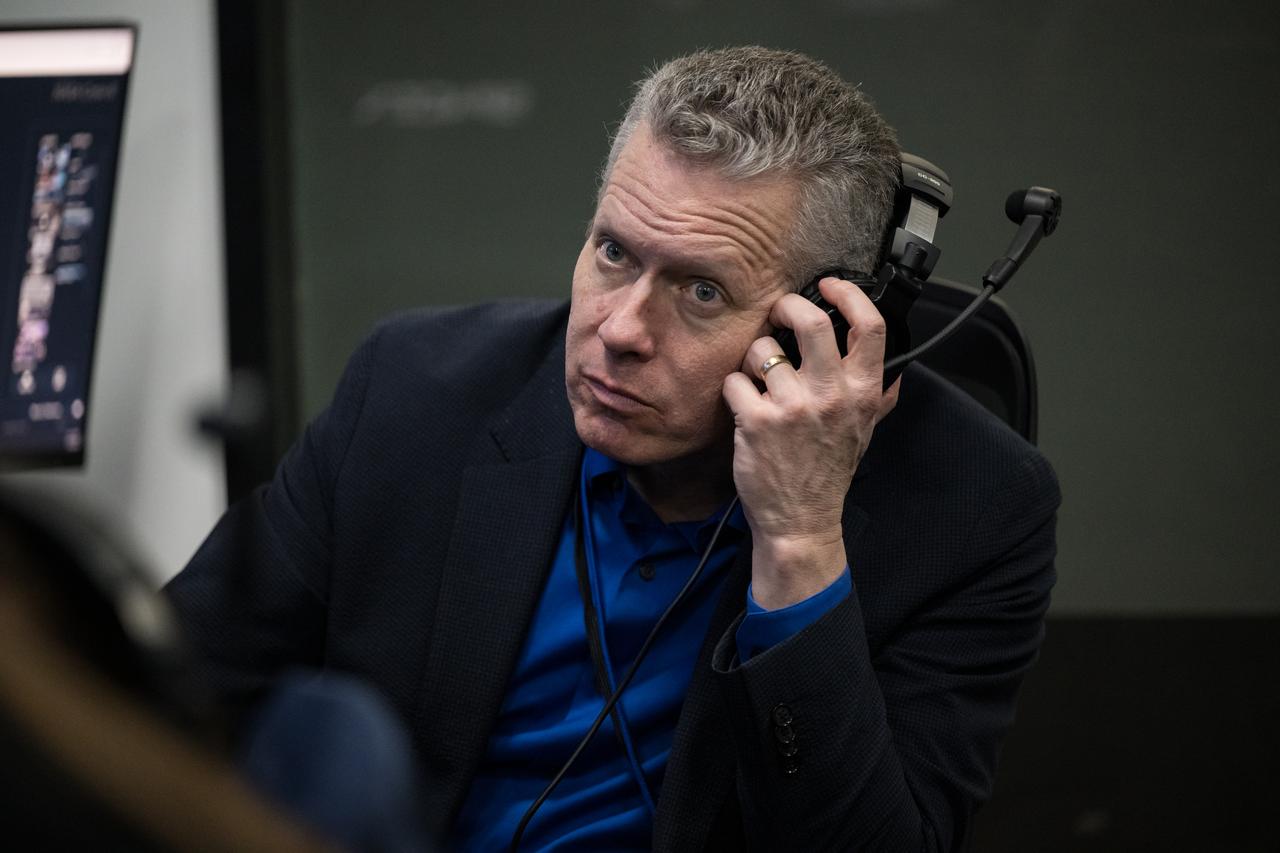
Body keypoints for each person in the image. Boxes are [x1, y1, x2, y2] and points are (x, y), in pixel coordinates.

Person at [166, 46, 1059, 851]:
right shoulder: (414, 391)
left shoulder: (976, 505)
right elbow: (165, 682)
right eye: (613, 253)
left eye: (701, 291)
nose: (619, 328)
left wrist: (798, 544)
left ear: (811, 327)